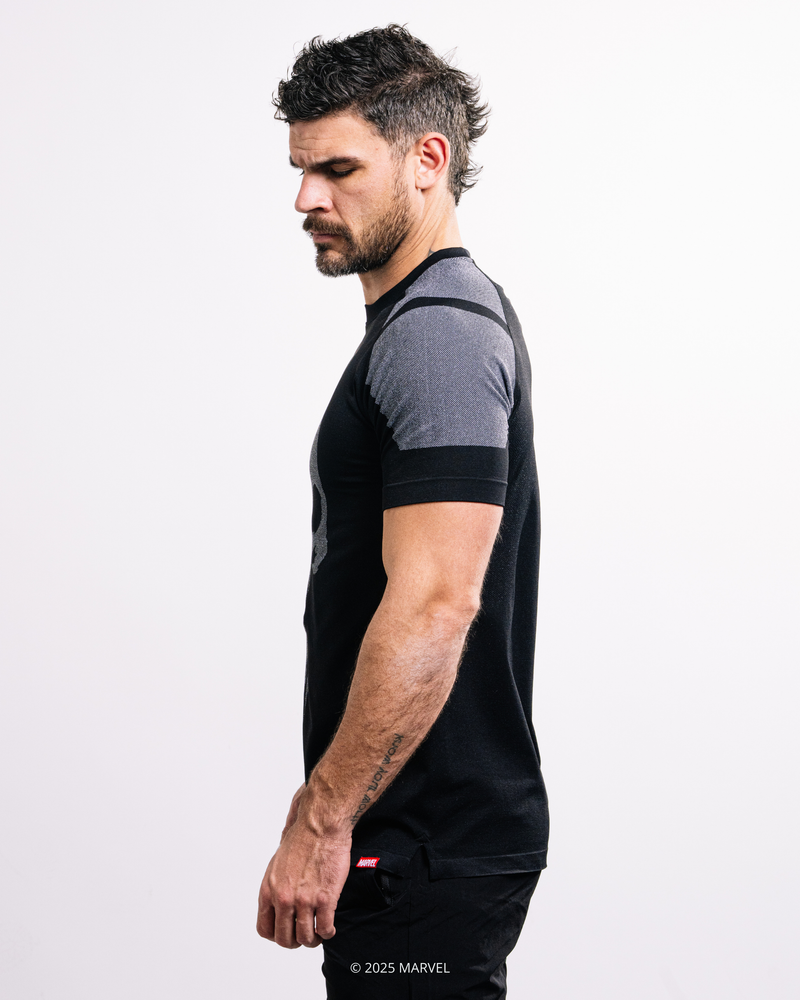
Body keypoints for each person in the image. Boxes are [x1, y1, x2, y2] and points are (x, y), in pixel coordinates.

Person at [257, 25, 549, 999]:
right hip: (419, 840)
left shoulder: (437, 334)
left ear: (428, 159)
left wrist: (322, 817)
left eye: (337, 169)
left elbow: (434, 603)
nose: (306, 198)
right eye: (301, 170)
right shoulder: (429, 320)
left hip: (422, 843)